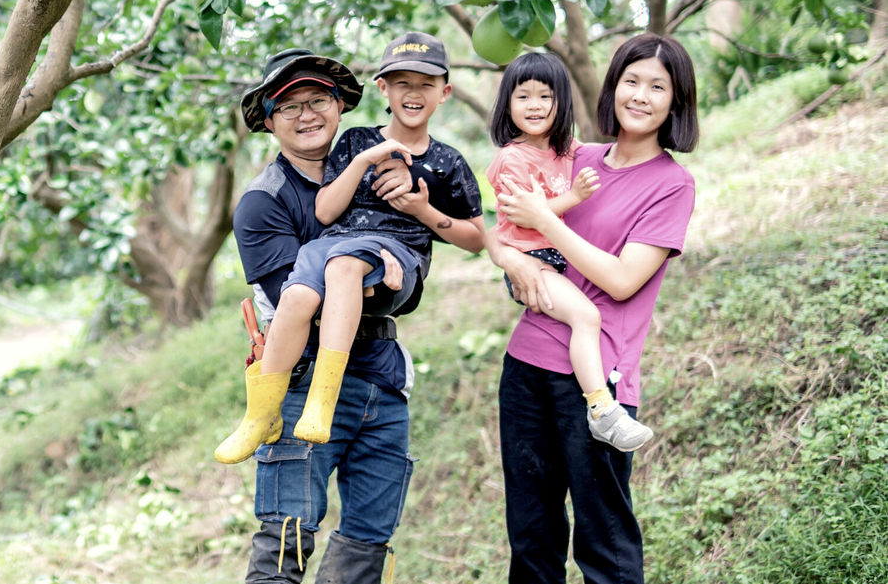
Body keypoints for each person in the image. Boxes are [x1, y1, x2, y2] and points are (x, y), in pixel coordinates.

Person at [223, 36, 481, 583]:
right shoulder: (264, 201)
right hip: (303, 383)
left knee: (366, 545)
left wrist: (410, 239)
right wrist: (375, 275)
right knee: (285, 541)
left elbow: (431, 247)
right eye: (288, 105)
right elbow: (302, 298)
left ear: (341, 105)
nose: (306, 114)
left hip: (380, 380)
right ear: (269, 122)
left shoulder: (382, 166)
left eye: (317, 100)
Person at [487, 34, 699, 583]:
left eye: (658, 86)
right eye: (631, 80)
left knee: (604, 544)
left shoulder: (670, 185)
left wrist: (547, 220)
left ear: (676, 103)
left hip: (597, 383)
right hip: (527, 367)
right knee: (531, 539)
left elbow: (624, 280)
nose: (641, 95)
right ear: (612, 87)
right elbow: (504, 229)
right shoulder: (572, 158)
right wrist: (511, 262)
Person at [484, 53, 654, 451]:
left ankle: (601, 407)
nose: (535, 106)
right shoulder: (512, 158)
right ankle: (602, 410)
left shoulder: (567, 150)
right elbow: (526, 217)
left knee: (583, 318)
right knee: (586, 316)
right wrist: (573, 197)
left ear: (562, 101)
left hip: (555, 261)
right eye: (523, 97)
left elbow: (602, 159)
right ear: (507, 104)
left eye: (545, 96)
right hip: (534, 262)